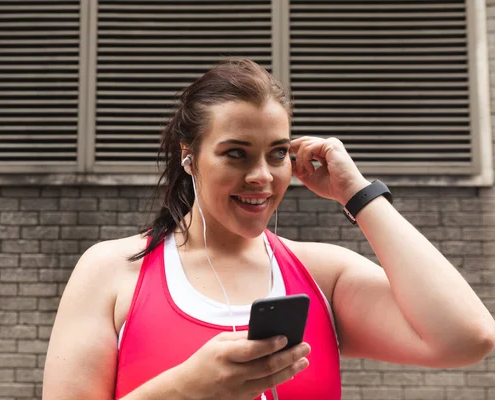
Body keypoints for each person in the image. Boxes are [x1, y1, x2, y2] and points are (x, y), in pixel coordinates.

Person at [42, 58, 495, 400]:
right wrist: (185, 389)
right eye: (236, 153)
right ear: (189, 156)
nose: (262, 175)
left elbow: (467, 338)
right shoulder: (112, 271)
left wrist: (357, 193)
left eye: (277, 153)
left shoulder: (322, 274)